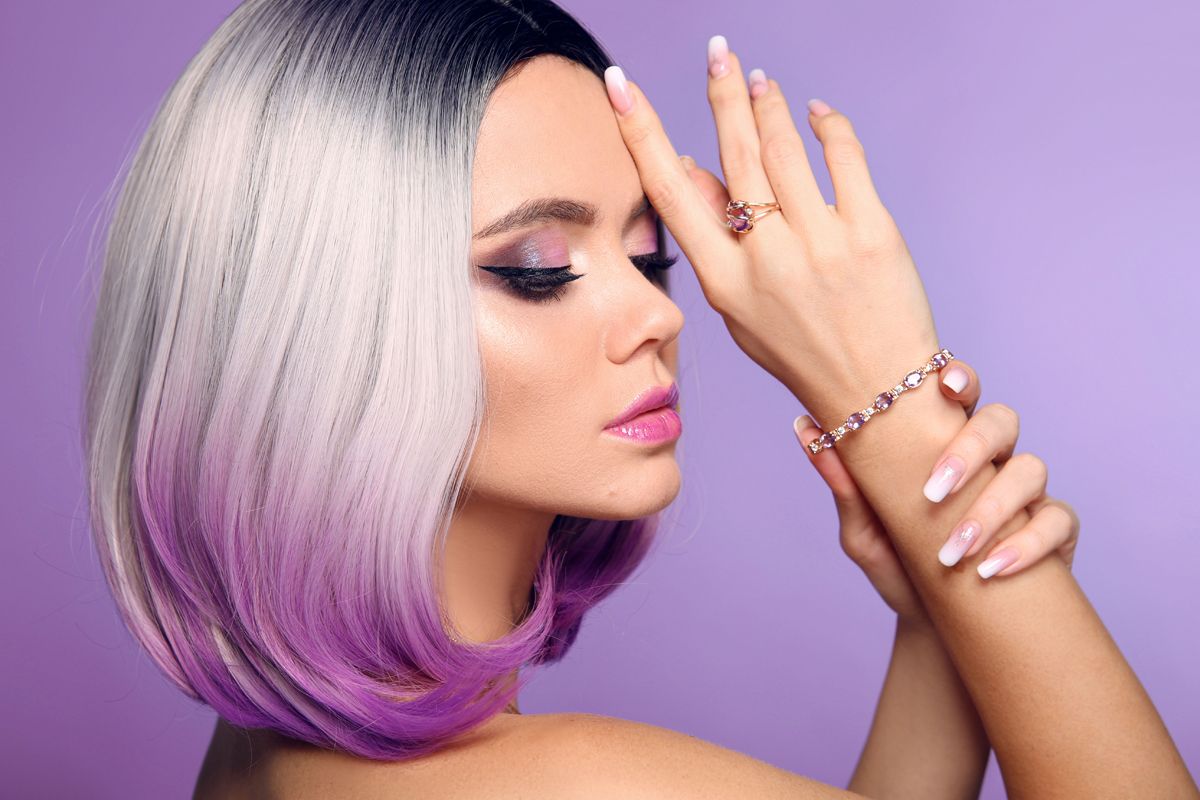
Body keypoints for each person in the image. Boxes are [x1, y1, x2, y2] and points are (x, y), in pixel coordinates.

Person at [78, 1, 1194, 797]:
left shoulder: (266, 746)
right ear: (311, 323)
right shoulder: (557, 778)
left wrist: (934, 605)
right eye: (538, 267)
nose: (661, 316)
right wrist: (895, 409)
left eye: (649, 258)